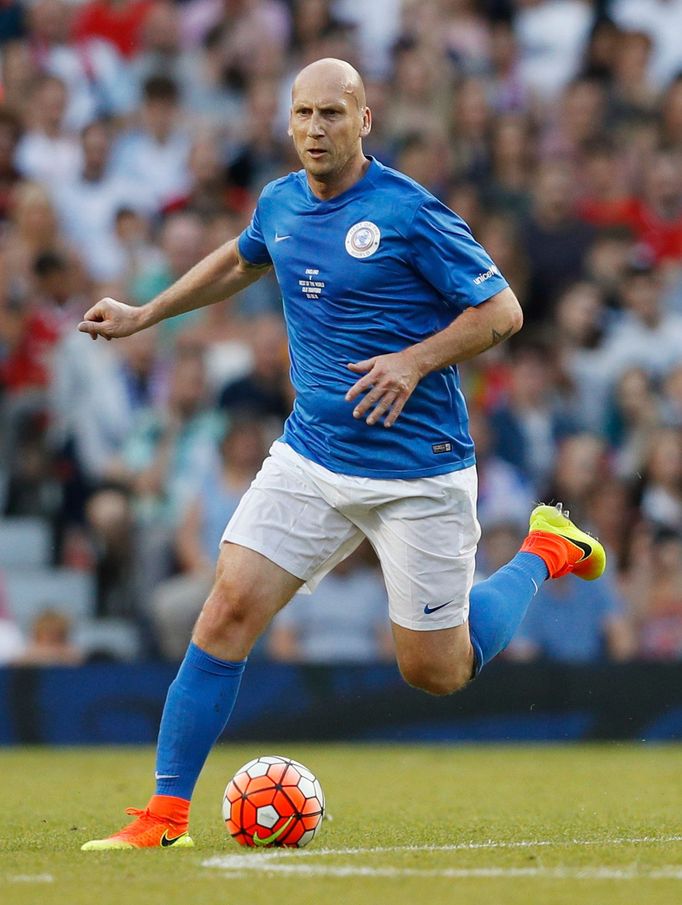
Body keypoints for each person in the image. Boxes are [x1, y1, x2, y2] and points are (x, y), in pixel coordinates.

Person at [77, 58, 606, 851]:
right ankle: (163, 818)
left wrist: (414, 359)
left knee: (437, 669)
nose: (315, 130)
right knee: (224, 611)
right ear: (288, 122)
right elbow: (240, 257)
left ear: (365, 119)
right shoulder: (281, 200)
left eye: (332, 114)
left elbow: (504, 309)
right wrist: (146, 311)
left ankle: (543, 548)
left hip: (418, 469)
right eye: (302, 114)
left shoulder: (410, 211)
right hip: (313, 456)